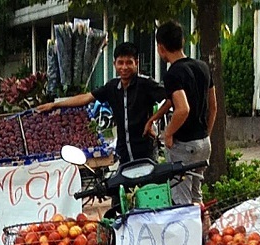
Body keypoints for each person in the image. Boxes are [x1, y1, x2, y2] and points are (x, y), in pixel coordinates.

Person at [37, 42, 166, 165]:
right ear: (114, 64)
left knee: (147, 186)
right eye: (120, 63)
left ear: (136, 63)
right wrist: (55, 105)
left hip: (145, 151)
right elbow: (87, 98)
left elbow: (171, 98)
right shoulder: (112, 87)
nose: (124, 67)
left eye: (129, 63)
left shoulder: (146, 84)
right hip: (124, 152)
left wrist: (152, 121)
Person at [153, 20, 217, 206]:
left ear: (161, 47)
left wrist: (168, 133)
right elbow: (213, 107)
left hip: (184, 146)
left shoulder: (173, 74)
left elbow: (182, 109)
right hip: (204, 143)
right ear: (182, 41)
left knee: (182, 201)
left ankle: (190, 235)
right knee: (197, 197)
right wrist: (206, 134)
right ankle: (205, 234)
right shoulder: (203, 67)